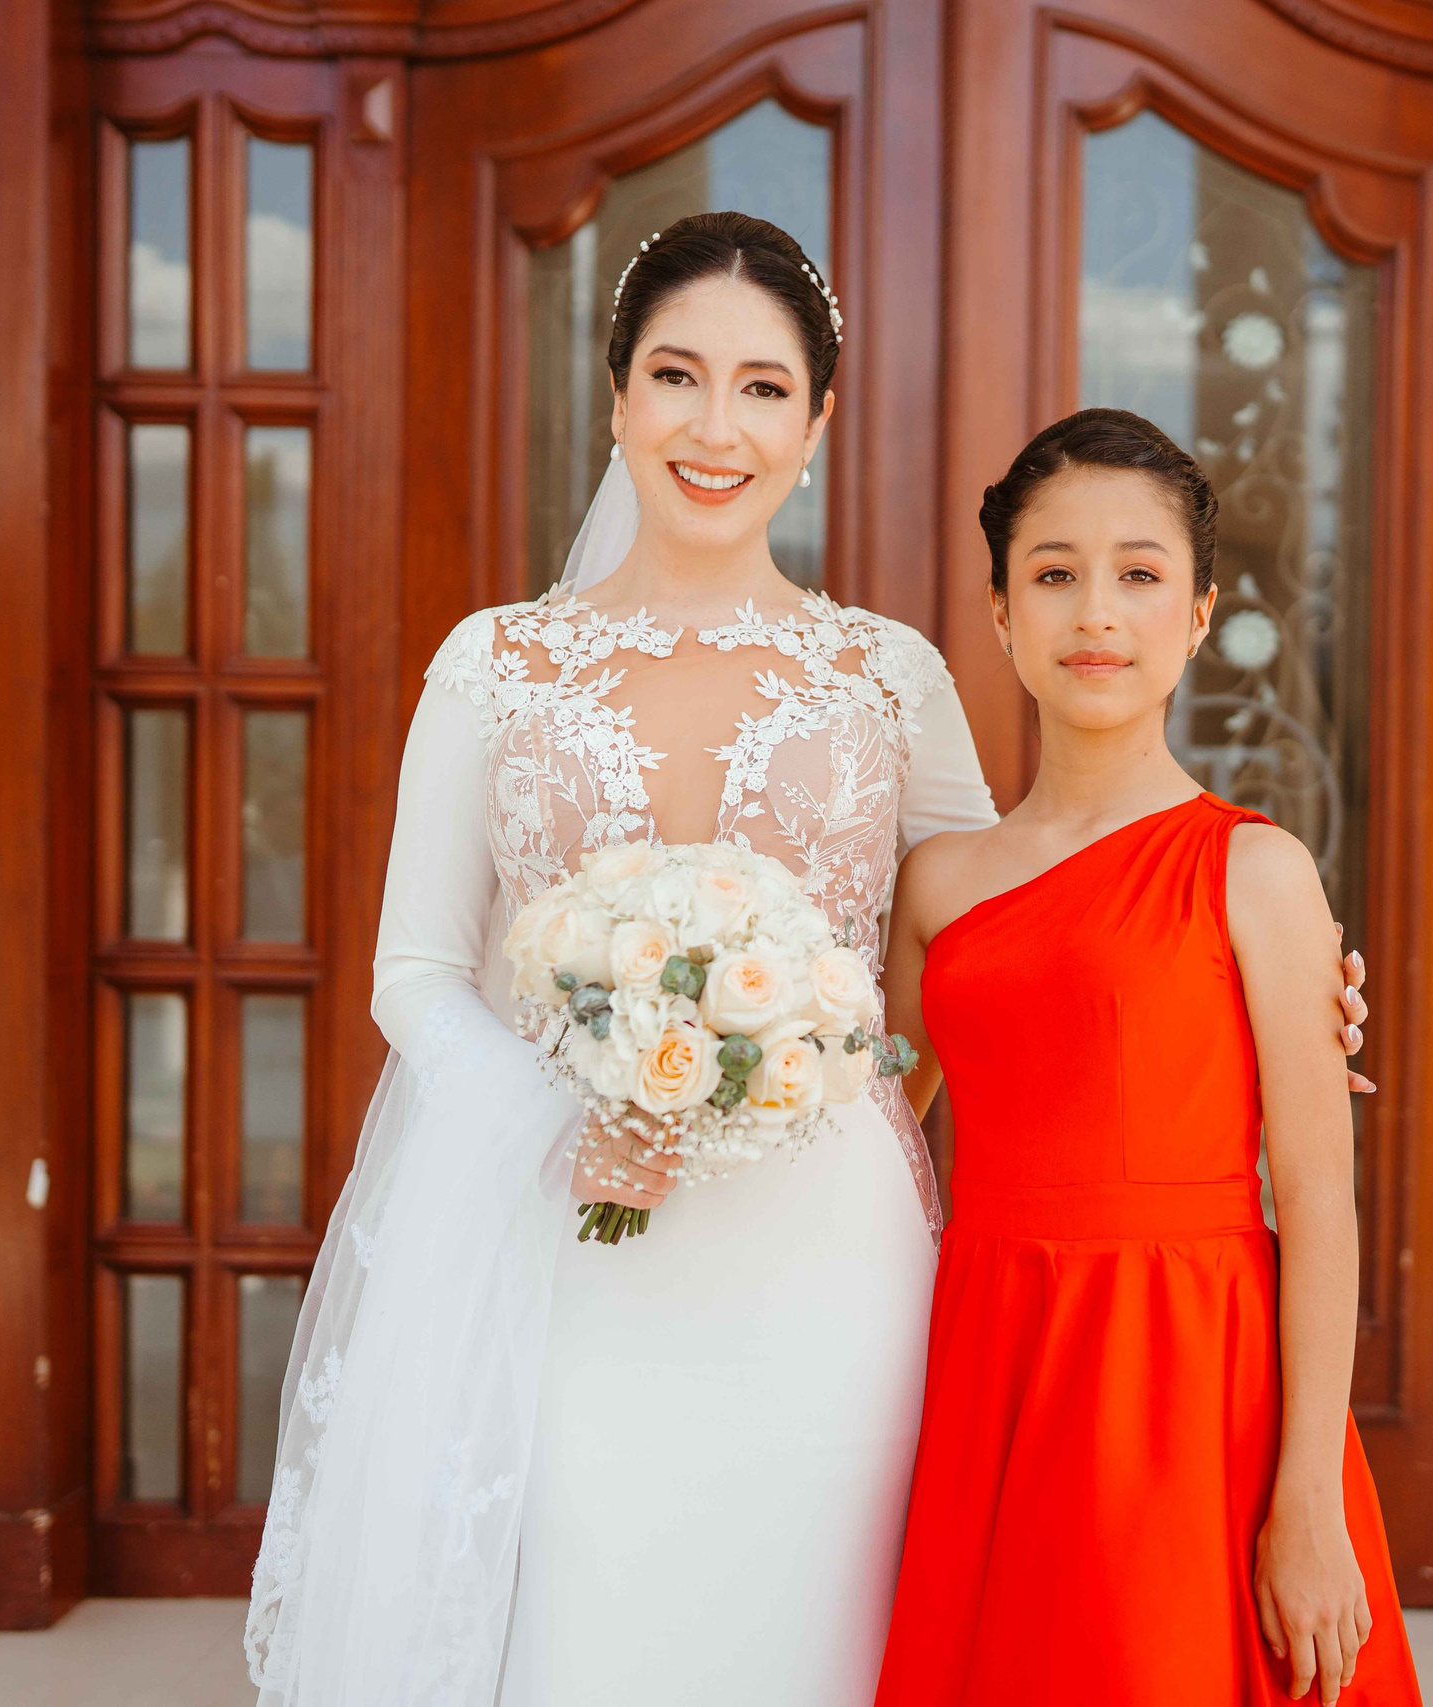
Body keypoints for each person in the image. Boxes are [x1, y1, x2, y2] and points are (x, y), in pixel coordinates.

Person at [242, 210, 1369, 1705]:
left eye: (765, 388)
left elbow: (1014, 918)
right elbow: (413, 973)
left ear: (818, 421)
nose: (719, 427)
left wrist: (1267, 984)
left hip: (836, 1257)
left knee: (820, 1629)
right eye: (679, 376)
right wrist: (567, 1112)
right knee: (595, 1609)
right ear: (620, 396)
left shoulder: (889, 673)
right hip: (573, 1241)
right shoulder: (492, 663)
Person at [873, 410, 1422, 1706]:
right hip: (994, 1367)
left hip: (1189, 1380)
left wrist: (1305, 1504)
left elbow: (1322, 1204)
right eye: (1054, 574)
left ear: (1199, 613)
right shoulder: (939, 885)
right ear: (1003, 616)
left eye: (1140, 574)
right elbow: (872, 1143)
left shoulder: (1257, 871)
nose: (1095, 613)